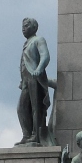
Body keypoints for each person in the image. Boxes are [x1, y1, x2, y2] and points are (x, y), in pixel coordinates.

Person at [16, 18, 52, 146]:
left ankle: (36, 136)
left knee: (35, 107)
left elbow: (45, 56)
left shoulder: (39, 40)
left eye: (26, 26)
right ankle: (26, 135)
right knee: (21, 107)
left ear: (34, 27)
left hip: (35, 77)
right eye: (23, 26)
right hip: (26, 80)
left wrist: (39, 69)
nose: (23, 28)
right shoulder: (26, 43)